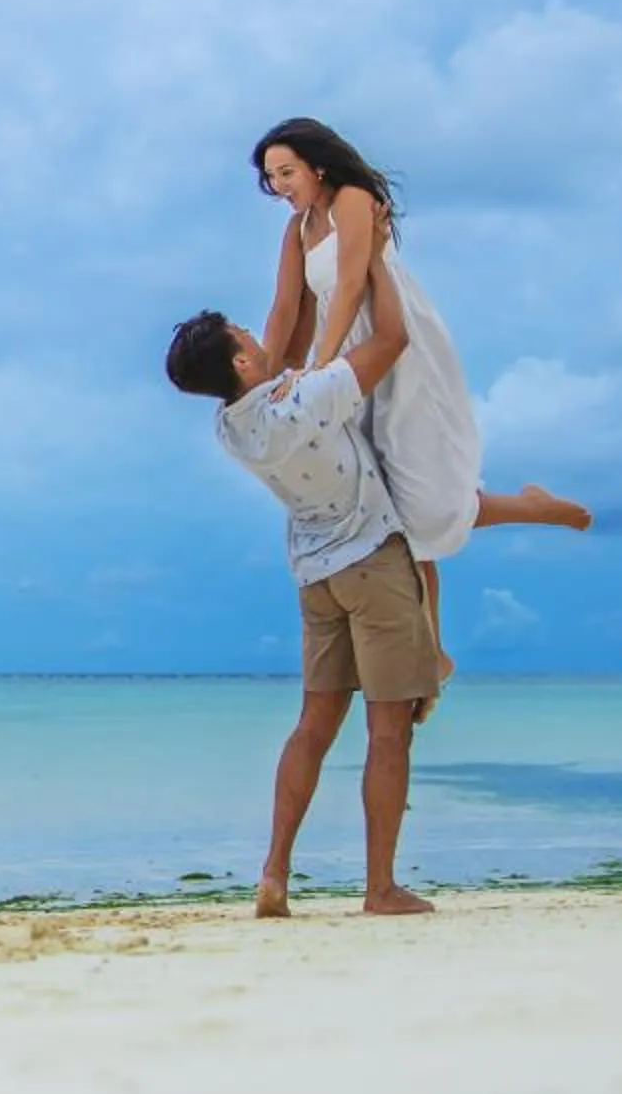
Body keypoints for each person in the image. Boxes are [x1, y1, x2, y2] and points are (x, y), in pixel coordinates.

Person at [250, 116, 591, 690]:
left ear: (318, 165)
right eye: (271, 178)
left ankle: (533, 509)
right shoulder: (297, 230)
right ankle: (433, 650)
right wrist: (259, 384)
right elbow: (286, 311)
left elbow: (355, 281)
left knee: (419, 499)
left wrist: (321, 367)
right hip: (340, 363)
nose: (280, 185)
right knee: (386, 508)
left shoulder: (353, 199)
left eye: (287, 172)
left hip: (391, 347)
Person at [165, 271, 435, 918]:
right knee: (389, 731)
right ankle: (380, 890)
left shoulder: (232, 426)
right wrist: (379, 268)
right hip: (371, 562)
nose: (259, 334)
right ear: (239, 359)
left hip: (317, 579)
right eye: (245, 334)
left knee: (313, 729)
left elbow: (294, 317)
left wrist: (303, 247)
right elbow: (392, 338)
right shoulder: (304, 401)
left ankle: (274, 874)